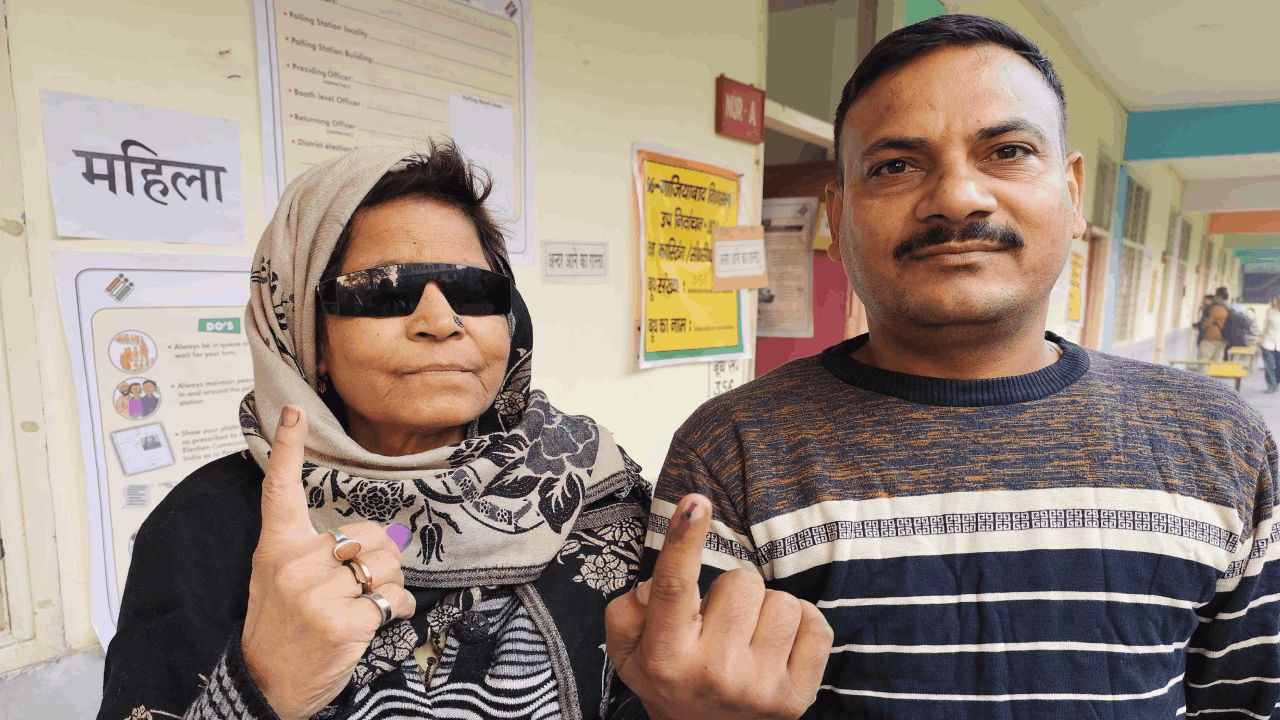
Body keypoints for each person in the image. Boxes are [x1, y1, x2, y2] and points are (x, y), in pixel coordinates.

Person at [613, 14, 1280, 718]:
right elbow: (682, 691)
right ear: (837, 218)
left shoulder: (1220, 441)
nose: (958, 198)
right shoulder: (734, 451)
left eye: (1010, 151)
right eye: (895, 165)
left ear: (1074, 192)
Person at [99, 141, 652, 720]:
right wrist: (264, 684)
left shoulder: (594, 488)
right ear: (309, 336)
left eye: (473, 291)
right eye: (386, 291)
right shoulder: (203, 530)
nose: (442, 322)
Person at [1198, 288, 1231, 365]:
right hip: (1222, 340)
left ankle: (1203, 377)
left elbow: (1209, 322)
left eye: (1216, 295)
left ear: (1219, 297)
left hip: (1210, 339)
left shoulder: (1216, 308)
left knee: (1203, 363)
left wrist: (1202, 325)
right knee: (1216, 364)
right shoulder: (1227, 308)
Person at [1260, 295, 1280, 393]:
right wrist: (1261, 340)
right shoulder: (1271, 313)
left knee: (1278, 366)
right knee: (1269, 366)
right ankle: (1271, 385)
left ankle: (1276, 382)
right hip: (1268, 343)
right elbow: (1265, 327)